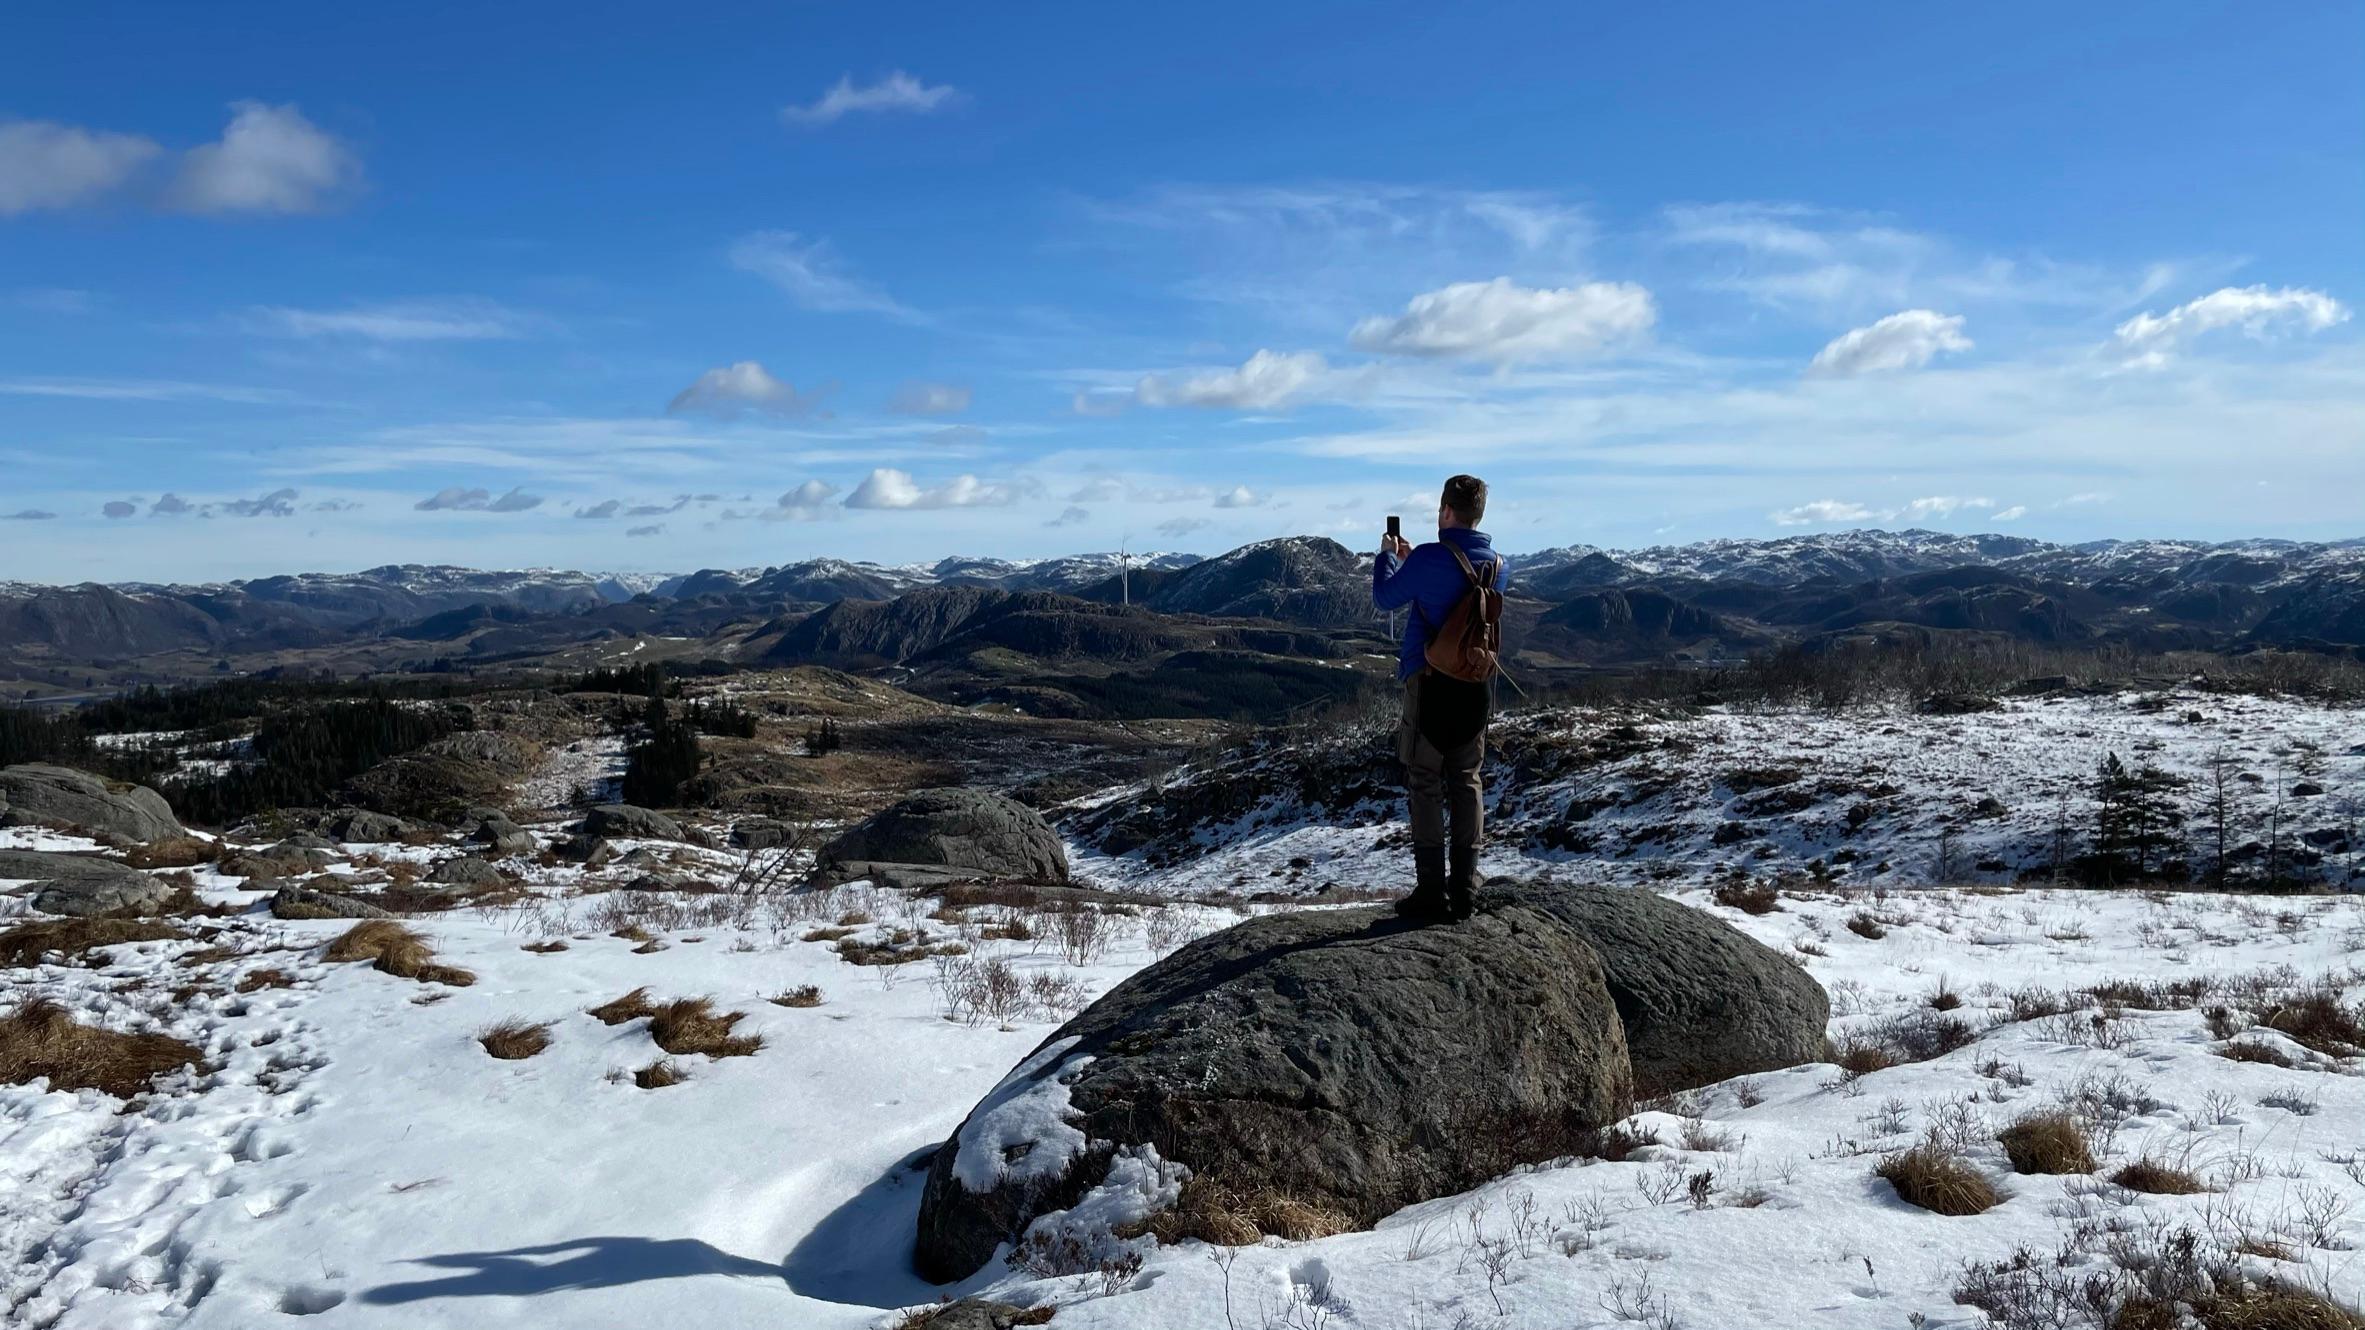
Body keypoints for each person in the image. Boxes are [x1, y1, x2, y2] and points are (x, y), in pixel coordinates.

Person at [1372, 474, 1508, 921]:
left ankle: (1432, 890)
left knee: (1425, 781)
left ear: (1445, 511)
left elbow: (1385, 597)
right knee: (1466, 780)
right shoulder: (1498, 566)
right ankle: (1466, 886)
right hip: (1474, 687)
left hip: (1427, 681)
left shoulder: (1430, 557)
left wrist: (1388, 557)